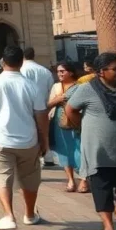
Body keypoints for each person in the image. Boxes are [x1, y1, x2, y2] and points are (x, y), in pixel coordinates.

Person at [65, 52, 116, 230]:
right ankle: (108, 227)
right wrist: (85, 128)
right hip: (98, 153)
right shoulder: (86, 90)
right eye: (115, 68)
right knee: (101, 190)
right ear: (101, 72)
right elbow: (70, 109)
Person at [0, 45, 48, 230]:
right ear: (21, 62)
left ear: (2, 62)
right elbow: (41, 116)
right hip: (28, 141)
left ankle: (9, 216)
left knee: (2, 178)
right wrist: (45, 140)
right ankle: (30, 215)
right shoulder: (31, 85)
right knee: (30, 178)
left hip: (1, 140)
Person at [47, 61, 83, 193]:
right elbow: (48, 104)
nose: (60, 74)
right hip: (59, 121)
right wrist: (56, 100)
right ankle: (71, 180)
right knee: (64, 151)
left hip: (76, 122)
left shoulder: (80, 87)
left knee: (79, 150)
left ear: (71, 72)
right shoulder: (56, 87)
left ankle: (84, 179)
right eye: (58, 71)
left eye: (62, 71)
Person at [21, 46, 56, 167]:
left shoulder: (22, 70)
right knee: (43, 131)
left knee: (31, 132)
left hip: (28, 106)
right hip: (44, 105)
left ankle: (37, 158)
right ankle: (48, 157)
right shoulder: (45, 71)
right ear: (33, 55)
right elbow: (51, 89)